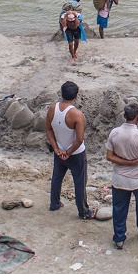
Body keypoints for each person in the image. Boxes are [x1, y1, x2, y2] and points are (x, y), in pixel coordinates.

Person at [105, 103, 138, 250]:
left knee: (119, 208)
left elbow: (109, 156)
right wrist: (137, 165)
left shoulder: (114, 132)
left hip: (119, 177)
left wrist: (126, 162)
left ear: (124, 116)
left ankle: (119, 237)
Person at [46, 81, 95, 219]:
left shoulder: (52, 109)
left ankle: (54, 203)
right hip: (75, 153)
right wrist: (68, 152)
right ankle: (84, 211)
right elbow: (79, 139)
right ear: (76, 96)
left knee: (57, 177)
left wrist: (56, 149)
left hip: (59, 151)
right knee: (79, 182)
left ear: (62, 94)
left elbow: (48, 129)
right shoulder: (77, 114)